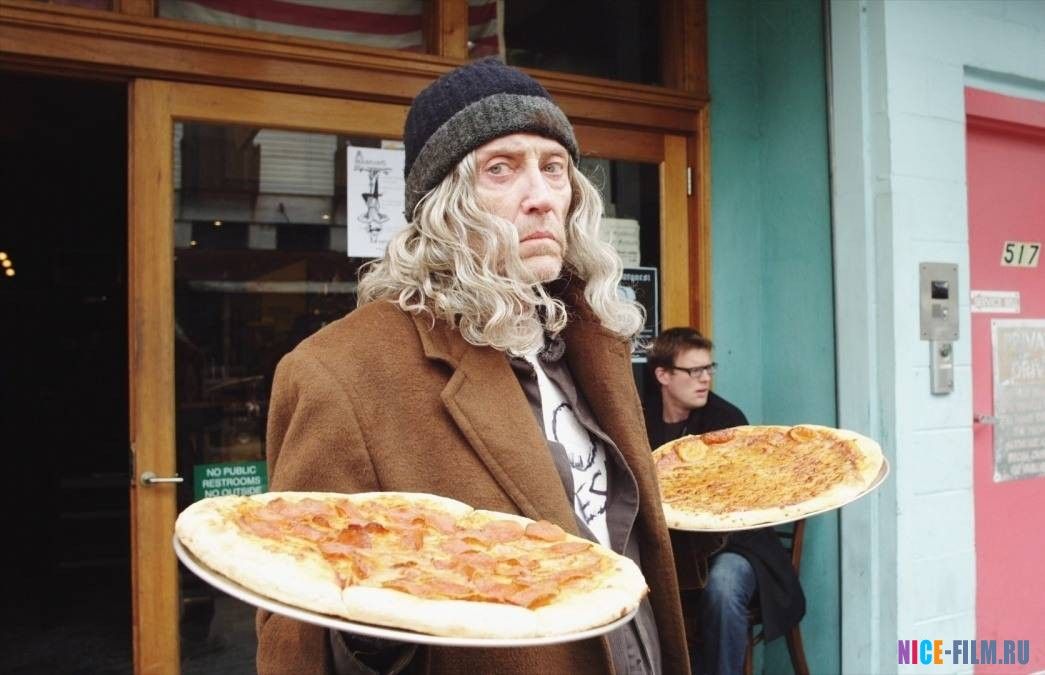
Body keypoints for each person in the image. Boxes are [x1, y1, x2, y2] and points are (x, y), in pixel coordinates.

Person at [257, 57, 724, 675]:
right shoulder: (340, 373)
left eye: (554, 168)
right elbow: (298, 636)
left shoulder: (593, 343)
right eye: (500, 168)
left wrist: (714, 514)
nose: (542, 198)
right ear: (441, 207)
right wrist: (375, 628)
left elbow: (614, 535)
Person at [644, 327, 806, 675]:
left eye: (708, 368)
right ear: (663, 375)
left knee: (723, 587)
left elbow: (741, 503)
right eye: (694, 371)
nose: (705, 379)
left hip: (738, 546)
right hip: (671, 548)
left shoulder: (727, 421)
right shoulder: (643, 420)